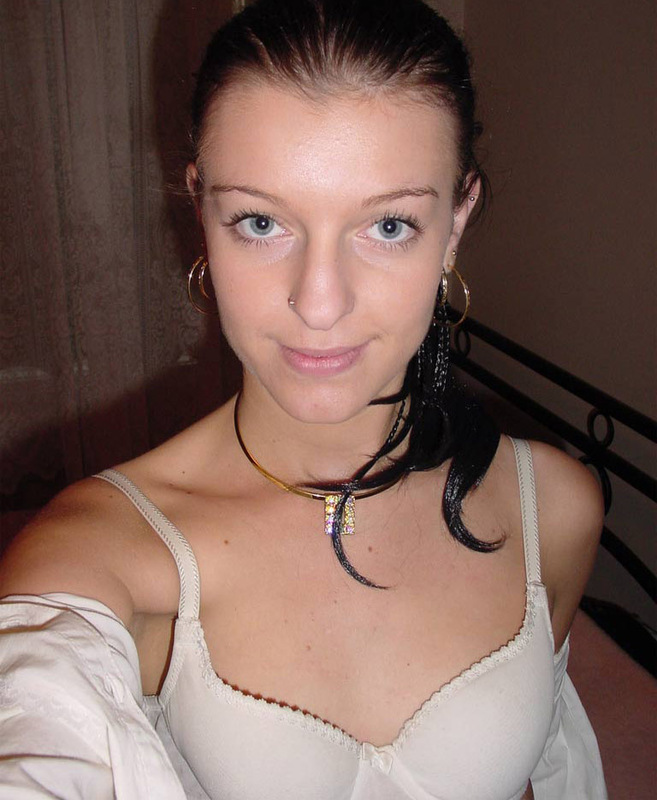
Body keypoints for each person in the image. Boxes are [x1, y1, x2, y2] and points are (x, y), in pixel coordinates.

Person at [0, 1, 607, 798]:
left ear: (455, 220)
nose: (319, 304)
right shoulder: (102, 556)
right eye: (260, 222)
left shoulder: (552, 509)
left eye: (387, 226)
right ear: (201, 210)